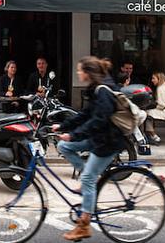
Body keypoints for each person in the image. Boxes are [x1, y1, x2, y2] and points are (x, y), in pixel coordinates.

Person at [52, 56, 125, 241]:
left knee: (88, 178)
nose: (78, 73)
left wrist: (74, 134)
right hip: (97, 138)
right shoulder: (95, 88)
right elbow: (85, 114)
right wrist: (63, 126)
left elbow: (98, 121)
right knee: (64, 146)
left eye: (80, 70)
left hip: (108, 141)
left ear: (88, 72)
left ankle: (84, 226)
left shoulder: (103, 91)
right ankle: (88, 181)